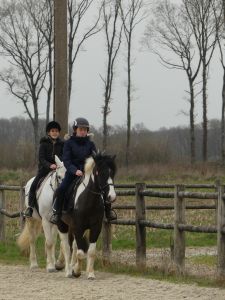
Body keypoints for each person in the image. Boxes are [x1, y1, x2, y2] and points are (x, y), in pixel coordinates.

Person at [50, 117, 117, 224]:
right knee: (61, 189)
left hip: (88, 173)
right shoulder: (68, 143)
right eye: (81, 129)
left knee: (103, 187)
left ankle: (108, 211)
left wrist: (98, 168)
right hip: (73, 172)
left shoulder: (91, 144)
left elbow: (96, 159)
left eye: (85, 130)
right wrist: (75, 170)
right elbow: (66, 160)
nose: (83, 132)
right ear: (75, 130)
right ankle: (57, 214)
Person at [24, 121, 64, 218]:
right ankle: (30, 207)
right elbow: (41, 158)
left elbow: (63, 156)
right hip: (45, 169)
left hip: (59, 169)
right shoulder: (44, 144)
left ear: (59, 133)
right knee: (34, 184)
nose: (55, 133)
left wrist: (59, 165)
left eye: (56, 131)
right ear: (48, 132)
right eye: (52, 131)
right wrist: (50, 165)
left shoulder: (62, 144)